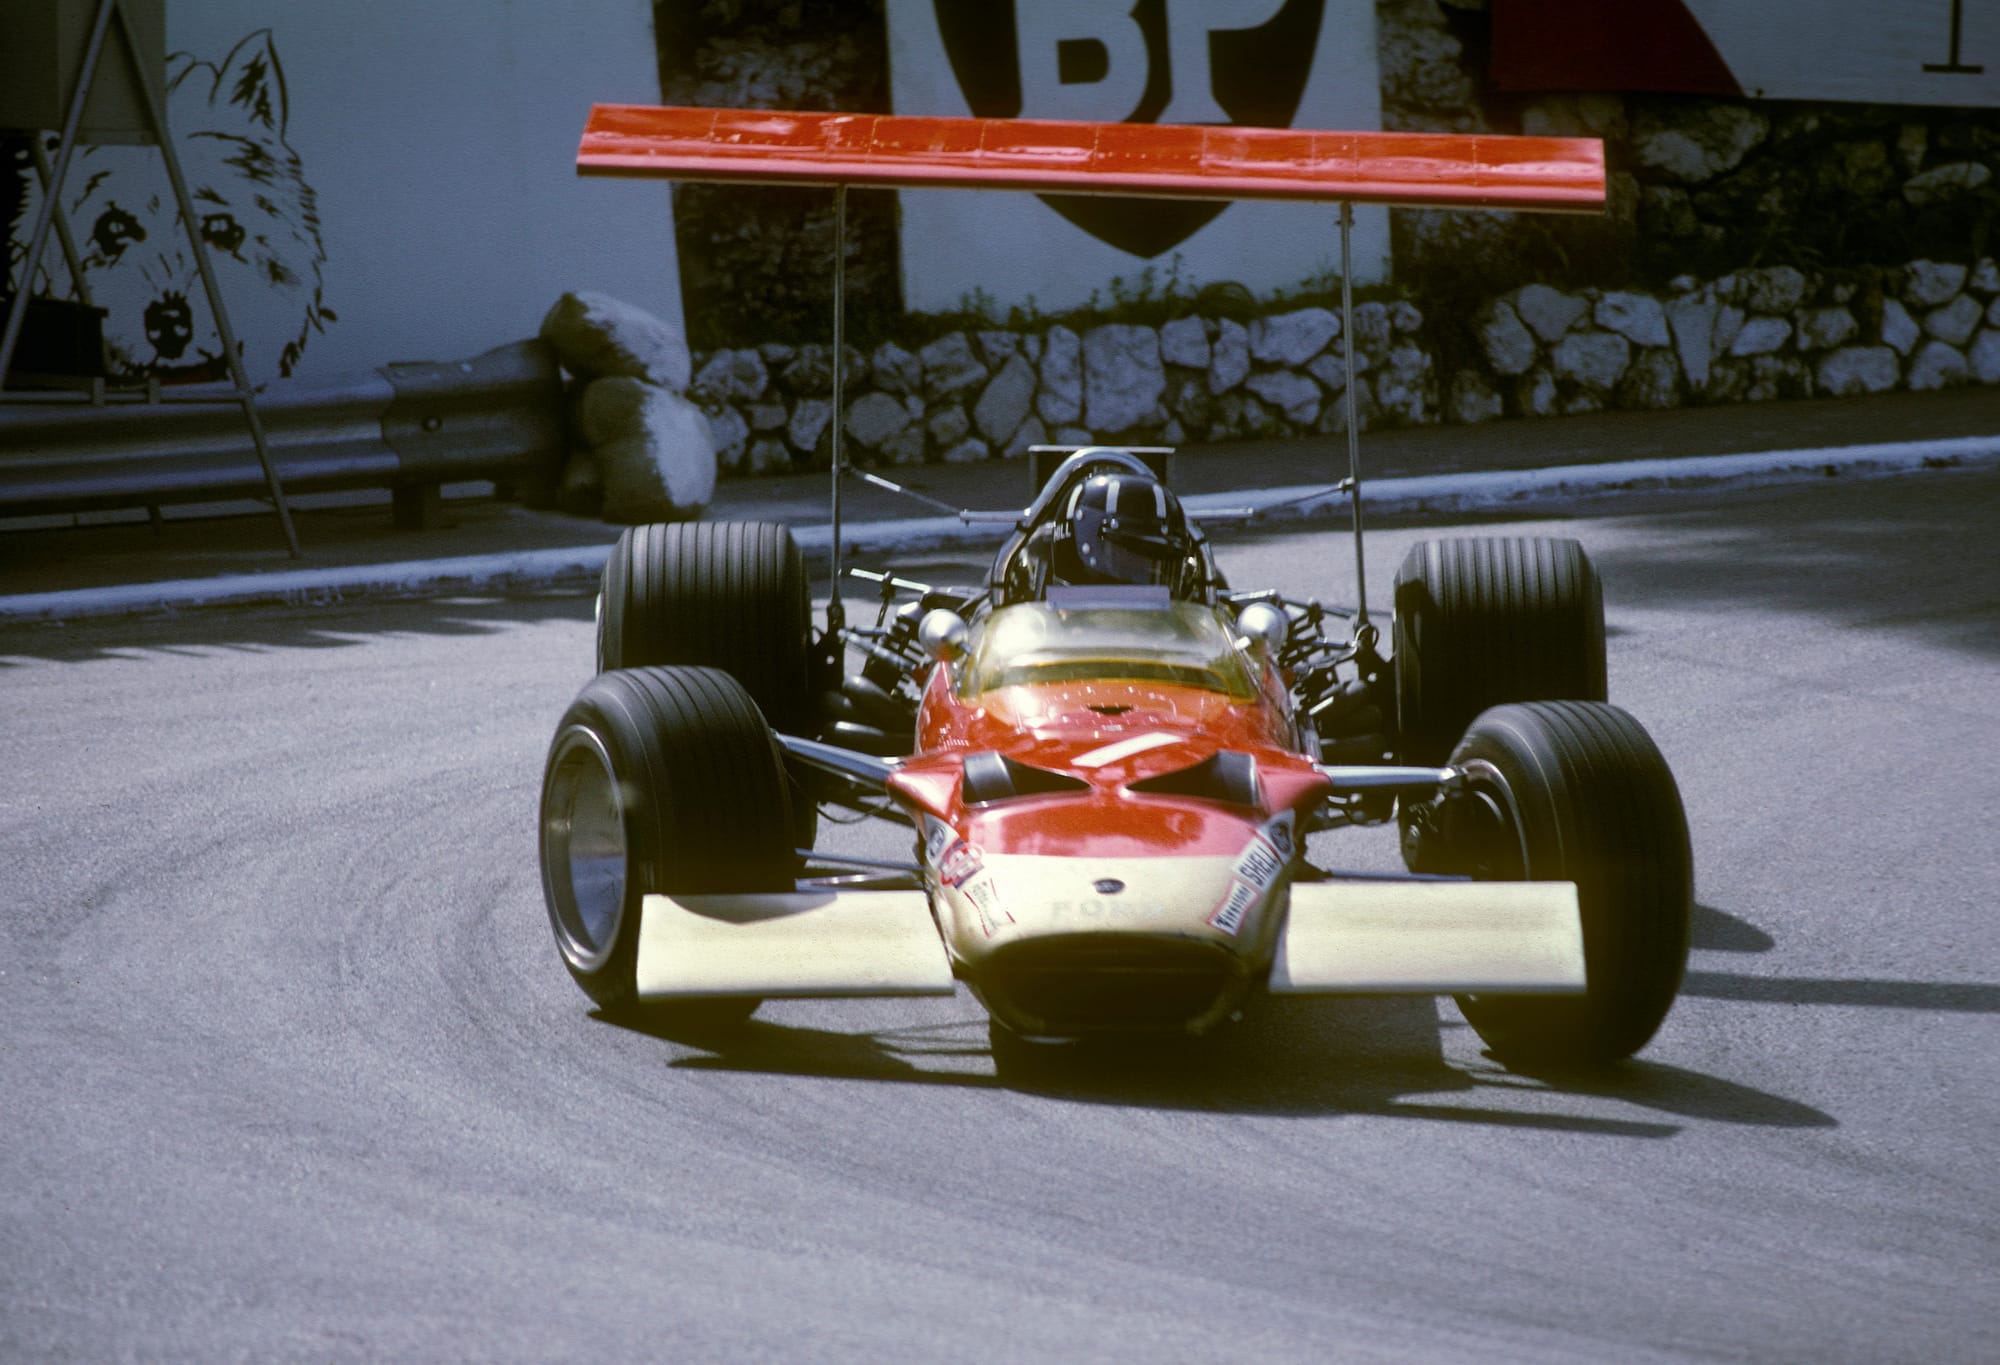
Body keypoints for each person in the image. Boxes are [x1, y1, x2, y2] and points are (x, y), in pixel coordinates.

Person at [1003, 471, 1207, 602]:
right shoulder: (1027, 627)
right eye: (1131, 558)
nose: (1149, 570)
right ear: (1085, 544)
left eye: (1159, 563)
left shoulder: (1185, 629)